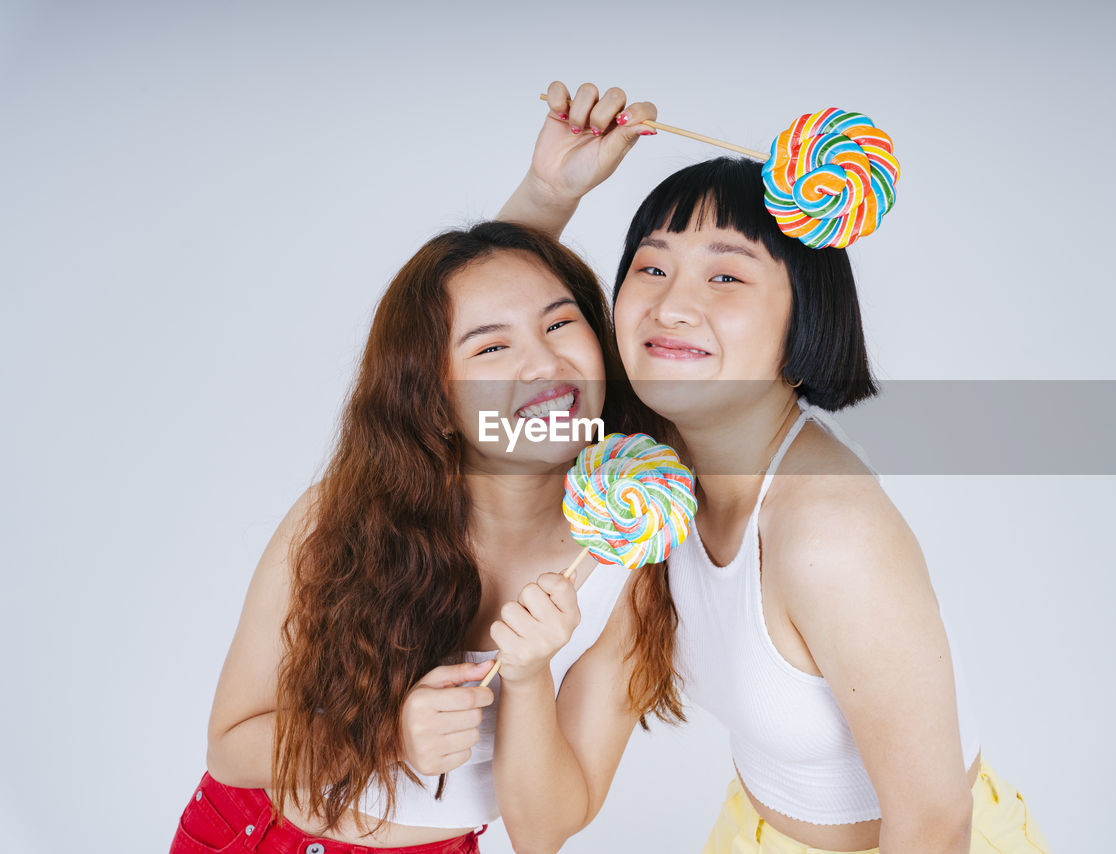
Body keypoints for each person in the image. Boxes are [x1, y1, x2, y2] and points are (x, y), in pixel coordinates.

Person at [500, 81, 1053, 854]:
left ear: (806, 316)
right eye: (651, 269)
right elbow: (546, 822)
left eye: (726, 276)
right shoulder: (654, 480)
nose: (672, 305)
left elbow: (934, 824)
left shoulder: (830, 534)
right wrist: (548, 192)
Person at [169, 220, 677, 854]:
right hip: (246, 831)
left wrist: (528, 678)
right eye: (490, 349)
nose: (545, 362)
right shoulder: (344, 511)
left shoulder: (631, 560)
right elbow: (229, 747)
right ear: (435, 397)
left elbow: (543, 832)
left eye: (560, 324)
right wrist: (389, 738)